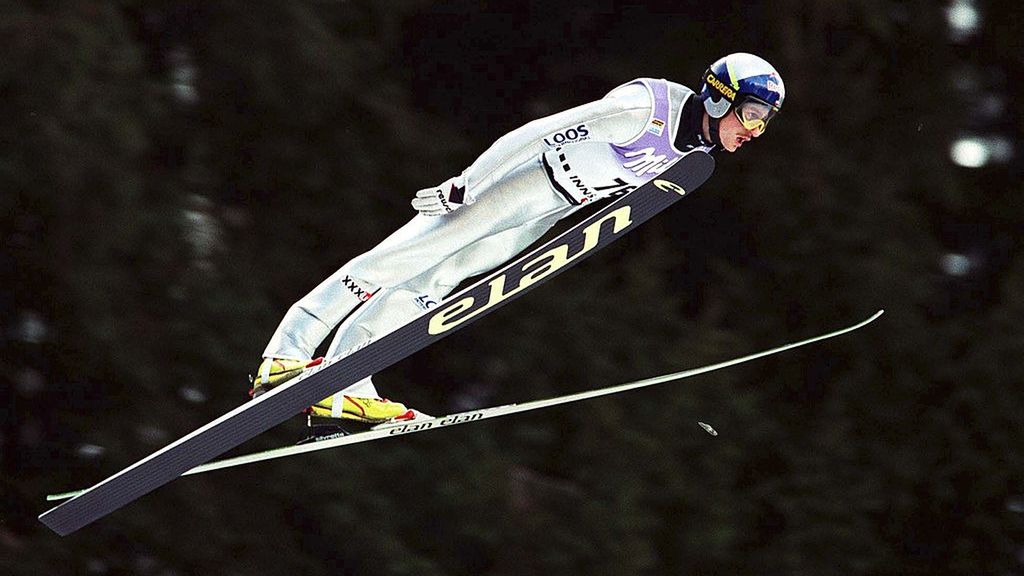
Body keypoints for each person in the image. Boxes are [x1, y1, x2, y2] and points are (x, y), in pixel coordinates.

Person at [250, 52, 786, 426]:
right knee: (402, 258)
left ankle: (347, 382)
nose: (755, 133)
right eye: (753, 115)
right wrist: (469, 184)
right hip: (521, 178)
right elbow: (536, 131)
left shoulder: (695, 155)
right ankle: (287, 354)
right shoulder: (647, 111)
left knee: (438, 282)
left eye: (766, 124)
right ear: (720, 100)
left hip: (548, 209)